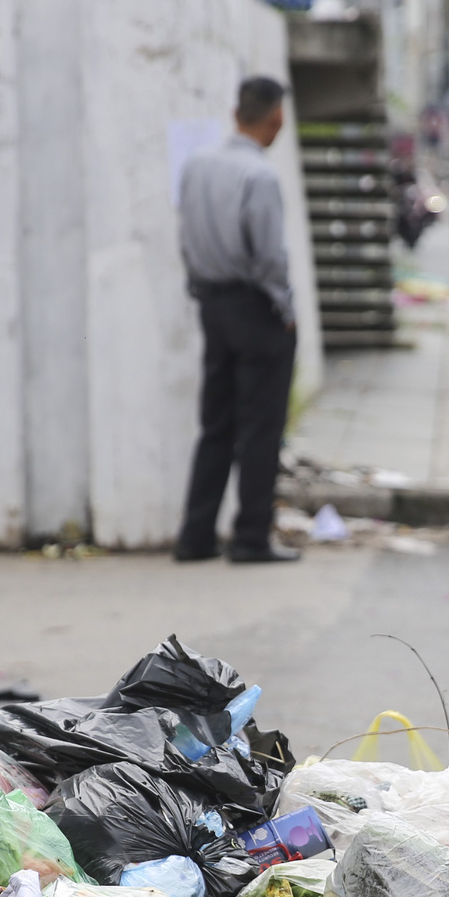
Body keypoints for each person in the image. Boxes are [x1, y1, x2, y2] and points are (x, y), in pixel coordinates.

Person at [175, 76, 300, 565]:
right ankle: (250, 536)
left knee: (216, 424)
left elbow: (186, 239)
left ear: (235, 114)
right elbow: (269, 257)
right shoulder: (260, 177)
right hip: (254, 308)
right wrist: (285, 312)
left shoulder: (197, 166)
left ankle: (196, 536)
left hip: (212, 303)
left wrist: (200, 290)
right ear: (276, 119)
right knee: (260, 428)